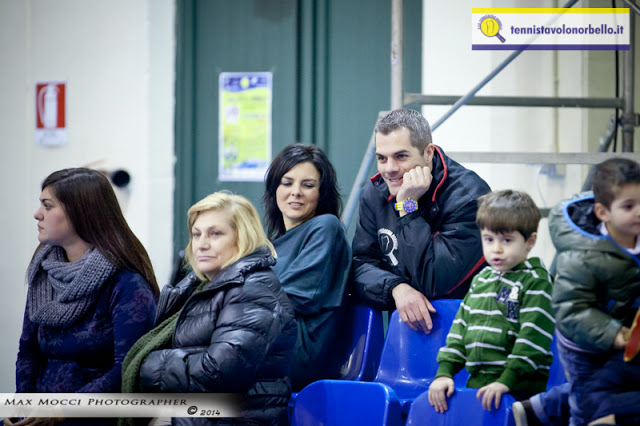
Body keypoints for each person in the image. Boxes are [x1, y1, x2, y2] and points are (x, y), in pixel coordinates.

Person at [122, 192, 297, 426]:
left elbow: (220, 370)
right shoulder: (199, 285)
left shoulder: (252, 289)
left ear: (242, 238)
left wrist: (150, 364)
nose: (202, 244)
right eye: (197, 234)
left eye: (215, 234)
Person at [9, 168, 159, 426]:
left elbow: (127, 369)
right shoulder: (43, 273)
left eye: (47, 205)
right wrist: (22, 406)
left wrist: (62, 411)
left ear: (80, 214)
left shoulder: (126, 283)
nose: (37, 214)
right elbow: (28, 351)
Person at [352, 108, 491, 332]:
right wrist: (397, 288)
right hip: (407, 335)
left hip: (471, 334)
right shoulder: (374, 194)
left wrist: (407, 207)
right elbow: (359, 266)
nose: (389, 169)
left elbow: (432, 283)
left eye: (401, 156)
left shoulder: (469, 197)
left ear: (428, 153)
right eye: (382, 158)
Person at [532, 158, 640, 426]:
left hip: (626, 333)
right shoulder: (580, 256)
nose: (639, 212)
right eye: (629, 206)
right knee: (587, 404)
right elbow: (571, 311)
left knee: (614, 391)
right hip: (583, 344)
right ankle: (554, 411)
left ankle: (540, 408)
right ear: (603, 213)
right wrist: (615, 334)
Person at [428, 190, 554, 413]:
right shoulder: (481, 279)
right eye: (489, 239)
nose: (496, 248)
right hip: (478, 387)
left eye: (507, 240)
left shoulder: (537, 281)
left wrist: (506, 381)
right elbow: (459, 331)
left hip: (519, 390)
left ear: (530, 241)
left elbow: (532, 340)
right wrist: (444, 373)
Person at [263, 143, 351, 391]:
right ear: (275, 189)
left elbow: (292, 298)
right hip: (263, 340)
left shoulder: (326, 227)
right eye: (287, 182)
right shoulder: (269, 245)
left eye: (308, 185)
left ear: (321, 193)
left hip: (294, 353)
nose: (296, 192)